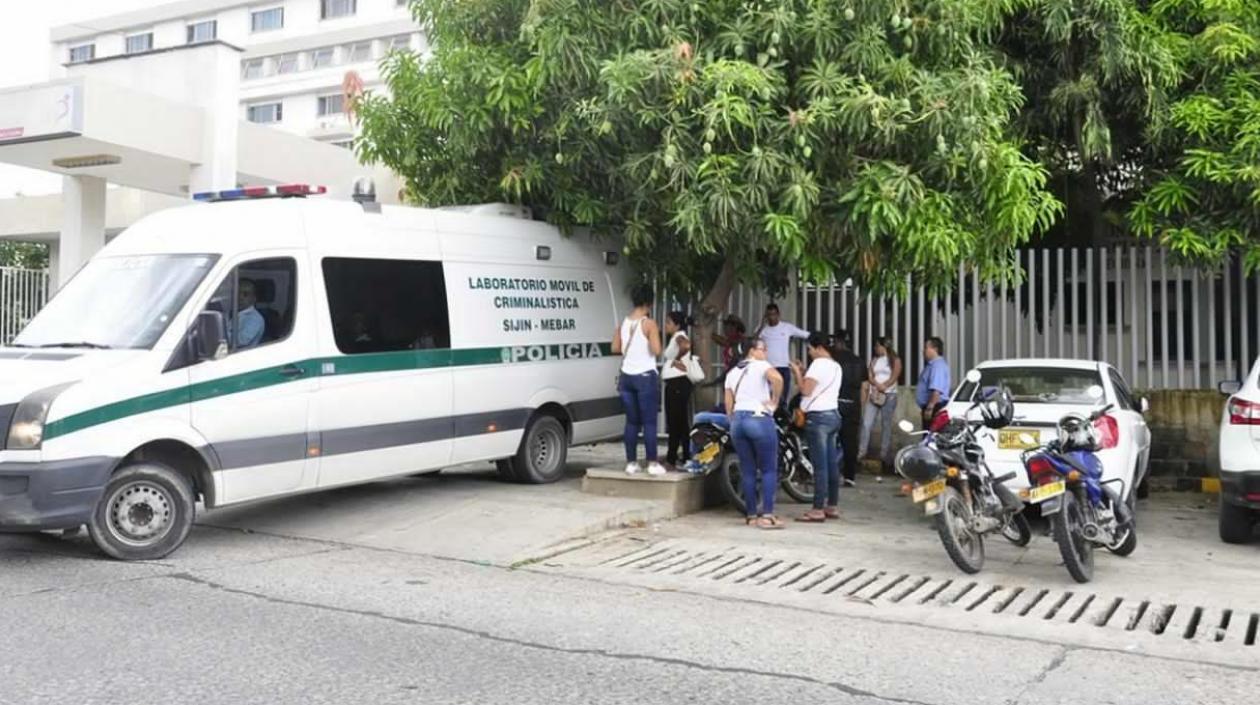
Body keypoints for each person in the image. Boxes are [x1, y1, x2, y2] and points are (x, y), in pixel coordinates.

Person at [725, 338, 785, 529]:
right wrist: (774, 401)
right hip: (758, 418)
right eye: (763, 349)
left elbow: (728, 403)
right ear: (752, 351)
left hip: (738, 421)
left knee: (748, 469)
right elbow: (777, 378)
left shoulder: (733, 372)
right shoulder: (760, 365)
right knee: (768, 468)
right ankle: (767, 516)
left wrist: (733, 419)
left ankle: (751, 516)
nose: (766, 353)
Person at [612, 285, 665, 475]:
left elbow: (615, 348)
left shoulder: (624, 323)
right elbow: (657, 350)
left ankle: (631, 463)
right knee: (649, 422)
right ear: (648, 303)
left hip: (627, 377)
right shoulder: (648, 324)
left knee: (632, 422)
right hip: (645, 376)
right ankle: (652, 463)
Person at [790, 333, 841, 522]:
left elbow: (805, 390)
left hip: (818, 419)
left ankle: (817, 509)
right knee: (831, 464)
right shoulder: (836, 366)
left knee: (819, 466)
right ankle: (832, 505)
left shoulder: (818, 365)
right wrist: (804, 372)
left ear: (818, 347)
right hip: (833, 416)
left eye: (810, 349)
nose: (809, 353)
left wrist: (796, 371)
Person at [859, 336, 903, 481]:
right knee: (866, 423)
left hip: (889, 395)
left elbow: (895, 375)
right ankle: (861, 451)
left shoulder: (894, 360)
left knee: (886, 425)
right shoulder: (874, 360)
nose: (875, 348)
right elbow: (870, 374)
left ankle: (884, 455)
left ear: (883, 346)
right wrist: (877, 385)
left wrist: (885, 386)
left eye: (877, 346)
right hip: (875, 394)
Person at [754, 303, 809, 408]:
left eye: (774, 314)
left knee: (783, 398)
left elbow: (804, 334)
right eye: (769, 315)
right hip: (768, 368)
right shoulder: (762, 329)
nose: (772, 317)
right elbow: (753, 341)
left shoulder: (786, 327)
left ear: (778, 315)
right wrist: (761, 325)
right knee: (768, 397)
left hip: (783, 367)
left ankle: (782, 421)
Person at [662, 311, 697, 468]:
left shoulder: (679, 336)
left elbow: (686, 345)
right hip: (677, 384)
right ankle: (681, 455)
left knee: (676, 421)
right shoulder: (675, 337)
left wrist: (676, 359)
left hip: (677, 384)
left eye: (669, 322)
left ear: (677, 325)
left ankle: (674, 457)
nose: (666, 325)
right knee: (679, 421)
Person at [831, 330, 865, 487]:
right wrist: (860, 406)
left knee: (830, 439)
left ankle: (831, 473)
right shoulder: (859, 361)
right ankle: (849, 476)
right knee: (850, 442)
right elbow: (865, 386)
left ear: (839, 342)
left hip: (835, 402)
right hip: (853, 404)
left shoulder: (833, 360)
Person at [917, 337, 951, 429]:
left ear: (935, 349)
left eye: (926, 348)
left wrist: (930, 408)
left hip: (935, 407)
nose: (923, 351)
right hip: (931, 406)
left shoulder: (937, 366)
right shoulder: (932, 365)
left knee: (931, 437)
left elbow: (936, 390)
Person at [235, 278, 265, 350]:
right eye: (238, 293)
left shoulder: (255, 318)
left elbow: (241, 340)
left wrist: (220, 336)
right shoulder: (231, 312)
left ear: (254, 298)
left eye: (245, 294)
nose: (240, 297)